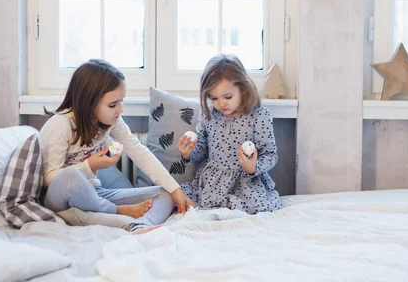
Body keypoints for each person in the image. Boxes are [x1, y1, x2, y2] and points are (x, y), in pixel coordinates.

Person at [39, 59, 195, 233]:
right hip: (60, 197)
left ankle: (141, 225)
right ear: (88, 102)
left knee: (165, 194)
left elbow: (138, 150)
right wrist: (90, 165)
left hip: (95, 195)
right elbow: (49, 178)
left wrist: (175, 189)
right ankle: (114, 212)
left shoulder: (111, 121)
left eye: (122, 101)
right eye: (113, 105)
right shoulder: (60, 125)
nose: (120, 110)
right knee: (71, 178)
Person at [178, 54, 281, 214]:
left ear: (242, 88)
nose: (221, 104)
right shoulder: (209, 114)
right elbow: (202, 153)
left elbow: (270, 154)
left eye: (227, 97)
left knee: (255, 208)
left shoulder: (259, 115)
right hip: (212, 183)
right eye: (213, 98)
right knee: (177, 196)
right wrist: (188, 153)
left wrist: (253, 167)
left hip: (245, 183)